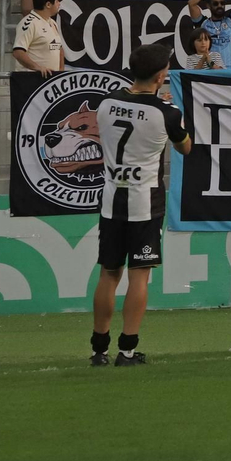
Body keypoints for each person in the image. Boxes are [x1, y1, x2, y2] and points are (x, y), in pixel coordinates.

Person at [90, 44, 192, 366]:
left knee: (108, 274)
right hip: (144, 202)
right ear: (161, 76)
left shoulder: (106, 103)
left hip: (111, 200)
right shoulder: (167, 113)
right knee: (139, 277)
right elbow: (186, 147)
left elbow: (129, 110)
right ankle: (128, 350)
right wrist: (168, 111)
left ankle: (99, 350)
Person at [12, 0, 64, 75]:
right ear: (48, 4)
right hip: (33, 79)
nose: (59, 4)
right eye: (57, 1)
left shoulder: (52, 22)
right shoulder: (29, 23)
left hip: (51, 80)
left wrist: (60, 71)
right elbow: (18, 52)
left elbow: (59, 48)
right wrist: (38, 68)